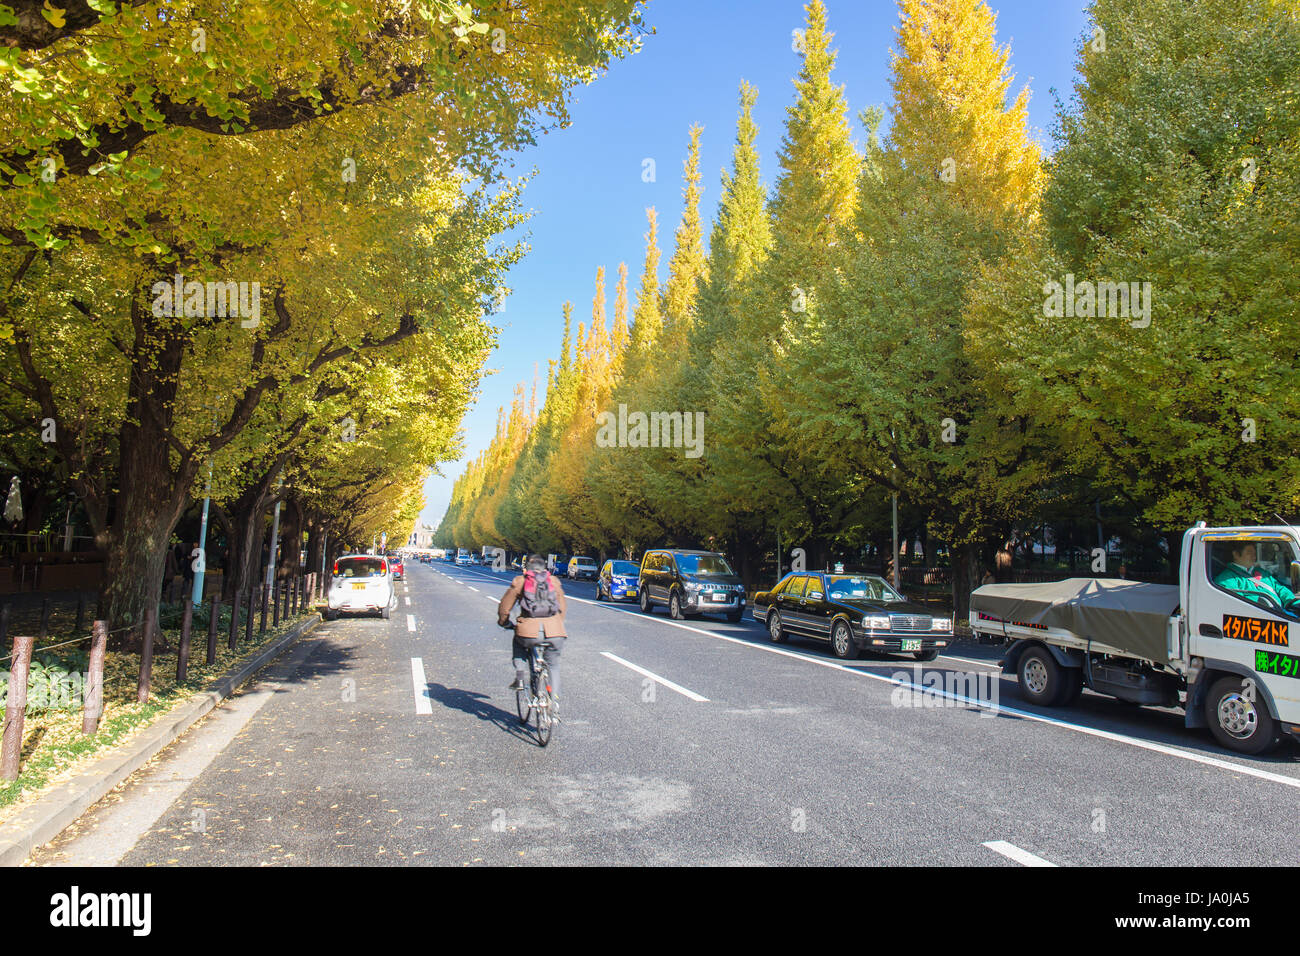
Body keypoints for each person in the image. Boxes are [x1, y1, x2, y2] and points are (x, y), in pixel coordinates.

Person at [498, 554, 568, 715]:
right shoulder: (554, 581)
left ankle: (520, 676)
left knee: (519, 642)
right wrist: (558, 624)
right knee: (554, 665)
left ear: (526, 569)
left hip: (528, 631)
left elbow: (505, 607)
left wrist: (504, 622)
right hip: (555, 631)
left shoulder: (520, 581)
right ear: (544, 567)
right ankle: (554, 700)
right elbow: (562, 607)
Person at [1214, 542, 1300, 610]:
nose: (1254, 556)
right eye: (1249, 552)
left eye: (1255, 552)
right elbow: (1238, 606)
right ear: (1236, 554)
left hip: (1283, 613)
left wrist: (1292, 602)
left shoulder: (1261, 572)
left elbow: (1279, 588)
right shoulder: (1226, 580)